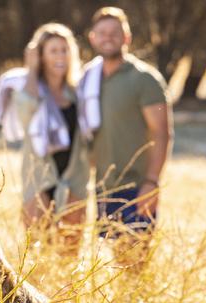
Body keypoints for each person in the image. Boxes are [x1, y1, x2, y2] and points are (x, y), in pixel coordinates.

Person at [77, 7, 174, 263]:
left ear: (127, 38)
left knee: (135, 262)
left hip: (137, 186)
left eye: (115, 33)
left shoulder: (144, 79)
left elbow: (162, 133)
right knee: (115, 263)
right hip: (104, 186)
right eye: (102, 33)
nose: (108, 37)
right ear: (92, 38)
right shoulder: (89, 78)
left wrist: (152, 182)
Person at [0, 23, 88, 231]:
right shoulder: (29, 89)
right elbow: (28, 111)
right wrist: (31, 69)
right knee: (37, 247)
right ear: (40, 55)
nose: (60, 56)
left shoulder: (78, 92)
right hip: (39, 176)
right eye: (53, 51)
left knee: (70, 250)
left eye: (65, 50)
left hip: (74, 177)